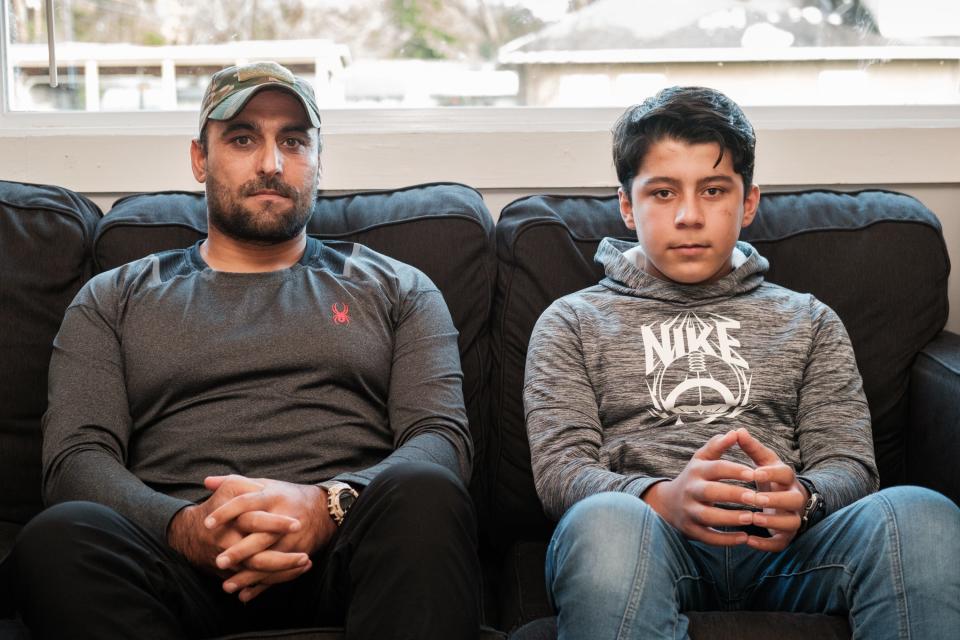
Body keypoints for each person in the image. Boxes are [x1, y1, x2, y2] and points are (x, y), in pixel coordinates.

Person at [8, 61, 480, 640]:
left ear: (317, 161)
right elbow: (75, 461)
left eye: (294, 141)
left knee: (427, 495)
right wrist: (187, 527)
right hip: (176, 566)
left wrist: (326, 505)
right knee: (59, 538)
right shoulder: (114, 297)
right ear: (199, 159)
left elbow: (441, 440)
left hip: (349, 559)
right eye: (242, 138)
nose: (271, 164)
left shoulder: (396, 287)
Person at [523, 86, 960, 639]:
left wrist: (804, 498)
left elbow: (851, 464)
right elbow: (562, 474)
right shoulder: (571, 322)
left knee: (920, 514)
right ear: (627, 206)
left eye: (713, 190)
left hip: (792, 550)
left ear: (748, 202)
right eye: (662, 192)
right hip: (648, 539)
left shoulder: (809, 320)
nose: (689, 215)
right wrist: (662, 498)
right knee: (604, 523)